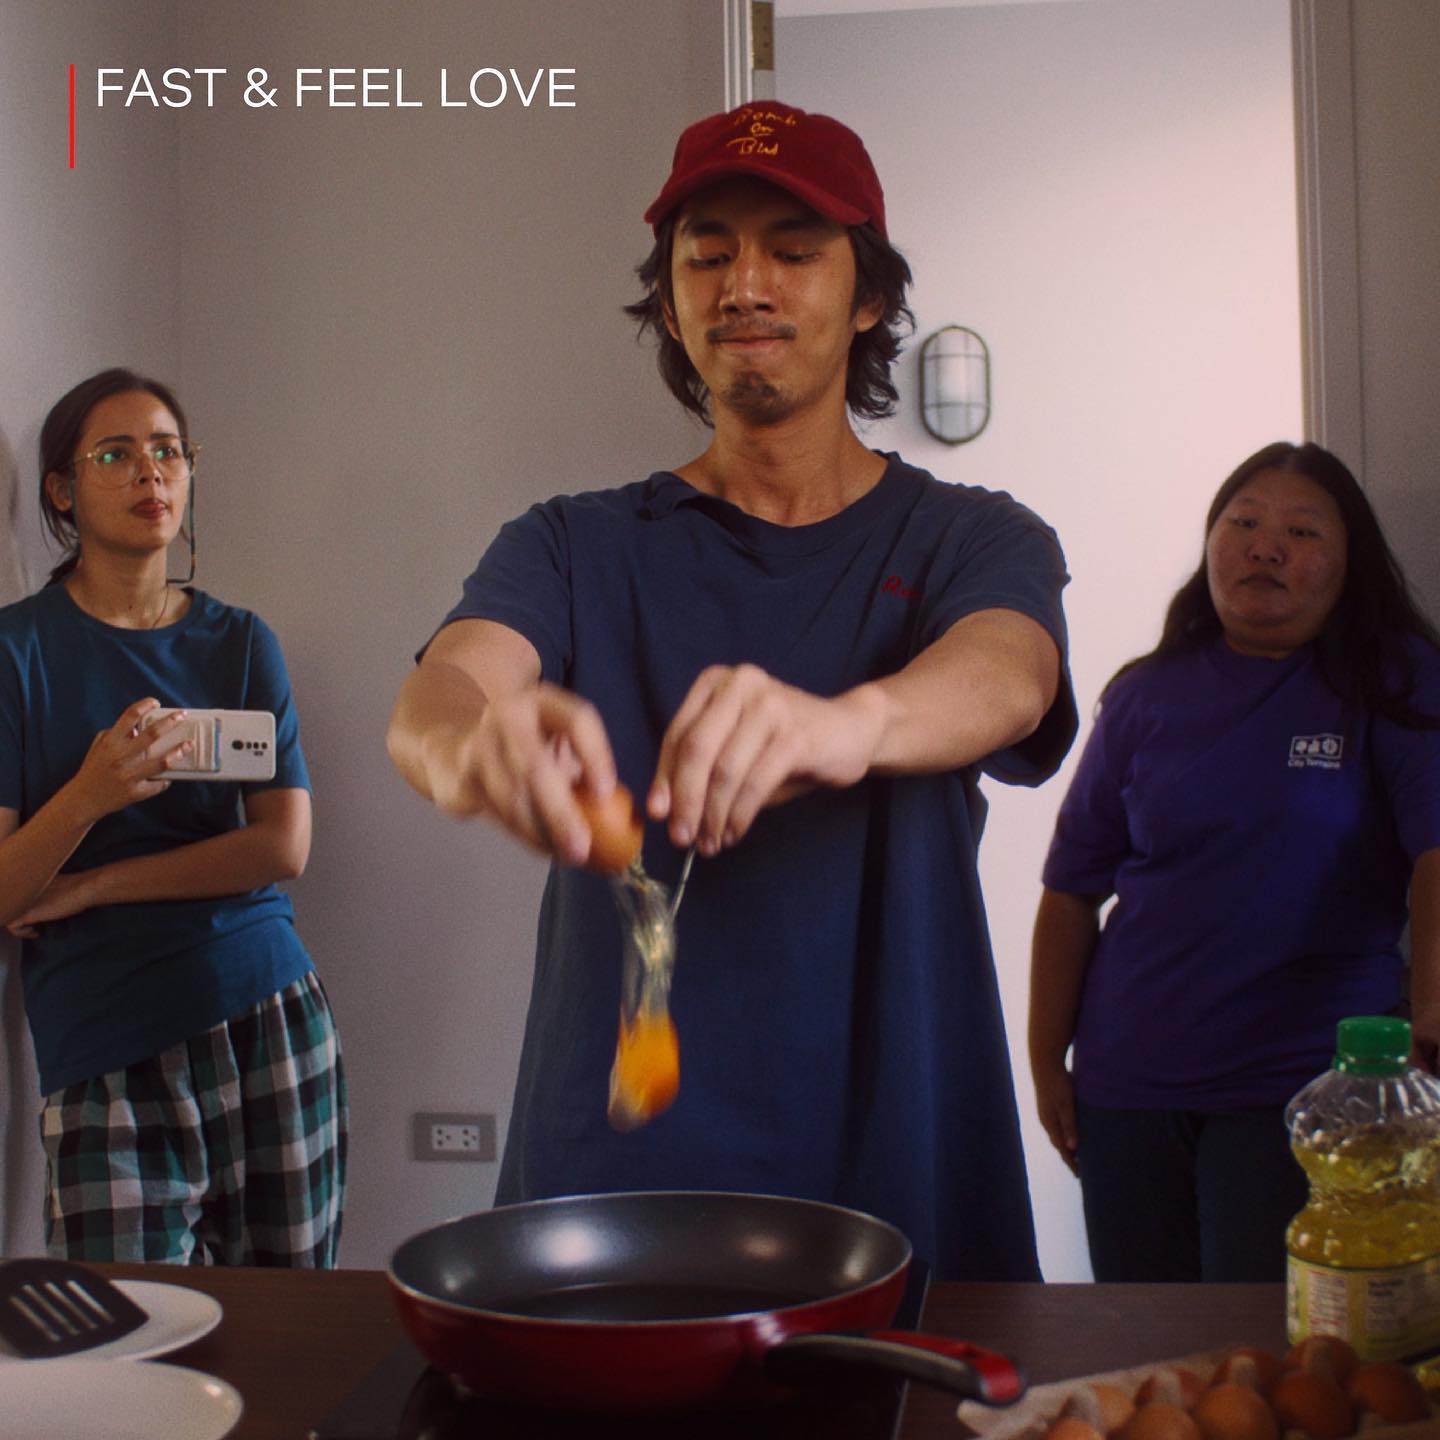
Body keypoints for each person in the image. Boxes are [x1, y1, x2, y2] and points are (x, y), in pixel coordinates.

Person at [388, 101, 1077, 1280]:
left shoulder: (974, 537)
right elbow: (443, 692)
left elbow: (1010, 675)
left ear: (869, 295)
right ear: (670, 302)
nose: (744, 285)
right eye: (707, 255)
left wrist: (846, 723)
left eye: (793, 250)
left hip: (898, 1151)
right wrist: (470, 751)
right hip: (615, 1171)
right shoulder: (573, 544)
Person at [1030, 440, 1440, 1282]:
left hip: (1308, 1089)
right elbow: (1070, 891)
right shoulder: (1143, 695)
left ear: (1350, 565)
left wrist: (1432, 1020)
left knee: (1274, 1337)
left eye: (1303, 532)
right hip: (1127, 1084)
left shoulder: (1393, 681)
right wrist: (1045, 1063)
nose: (1265, 548)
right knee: (1146, 1338)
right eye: (1243, 523)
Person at [0, 368, 346, 1265]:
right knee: (126, 1333)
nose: (150, 472)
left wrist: (93, 886)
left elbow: (283, 845)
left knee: (288, 1326)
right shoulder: (16, 652)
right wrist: (90, 794)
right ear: (61, 491)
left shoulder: (240, 642)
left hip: (268, 1010)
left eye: (167, 451)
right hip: (103, 1047)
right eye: (115, 455)